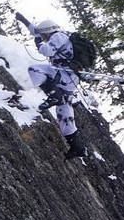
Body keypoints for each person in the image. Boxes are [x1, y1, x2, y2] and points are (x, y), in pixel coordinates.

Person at [20, 15, 88, 160]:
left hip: (64, 74)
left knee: (35, 70)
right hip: (69, 80)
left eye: (44, 36)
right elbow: (37, 31)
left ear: (47, 33)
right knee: (65, 114)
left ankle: (54, 95)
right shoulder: (59, 36)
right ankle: (78, 147)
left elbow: (47, 51)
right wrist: (23, 20)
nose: (43, 37)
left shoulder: (58, 36)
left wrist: (39, 44)